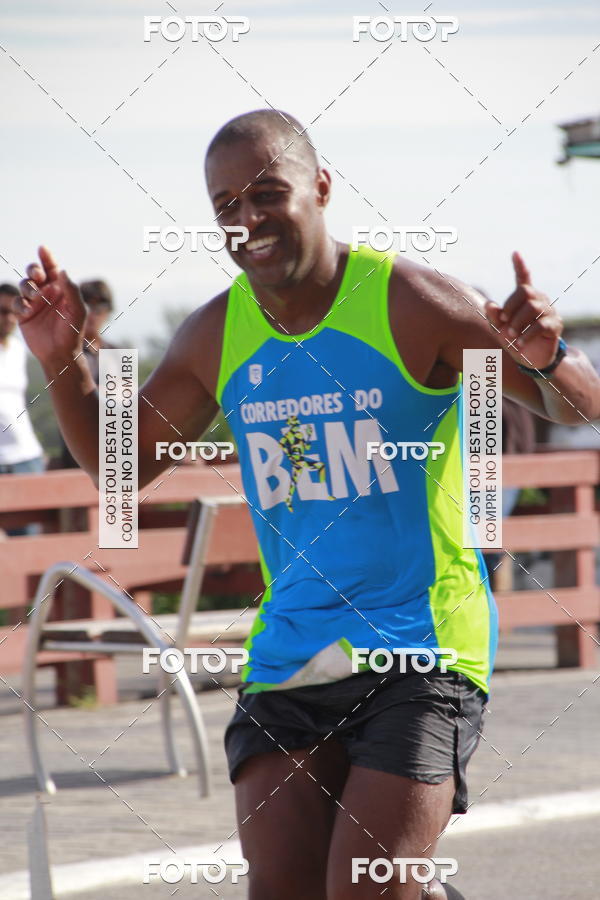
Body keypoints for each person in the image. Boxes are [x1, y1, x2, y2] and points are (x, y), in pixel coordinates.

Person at [15, 109, 600, 900]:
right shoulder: (215, 332)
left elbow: (576, 406)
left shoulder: (412, 301)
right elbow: (124, 470)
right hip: (293, 648)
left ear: (321, 188)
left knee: (366, 886)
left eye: (268, 194)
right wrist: (66, 365)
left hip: (418, 646)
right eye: (226, 205)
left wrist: (553, 358)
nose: (247, 221)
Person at [0, 283, 45, 536]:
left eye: (11, 312)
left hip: (25, 459)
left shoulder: (18, 349)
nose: (7, 318)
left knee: (28, 546)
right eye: (1, 311)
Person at [59, 279, 116, 468]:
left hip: (116, 452)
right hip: (77, 452)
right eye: (87, 306)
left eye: (99, 307)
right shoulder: (67, 353)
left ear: (108, 311)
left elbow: (127, 406)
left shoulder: (117, 353)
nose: (93, 314)